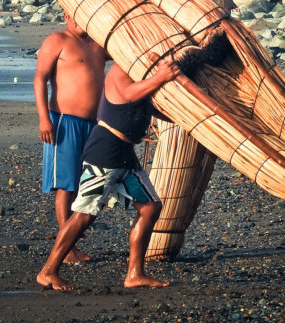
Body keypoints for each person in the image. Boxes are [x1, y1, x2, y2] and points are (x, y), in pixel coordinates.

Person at [37, 56, 180, 291]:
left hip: (125, 155)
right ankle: (48, 271)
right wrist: (160, 77)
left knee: (150, 206)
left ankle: (135, 273)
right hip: (105, 152)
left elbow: (151, 106)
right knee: (84, 214)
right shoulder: (120, 71)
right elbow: (129, 94)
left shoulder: (143, 75)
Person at [34, 15, 107, 266]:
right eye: (74, 16)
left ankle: (70, 241)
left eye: (84, 16)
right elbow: (40, 79)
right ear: (66, 16)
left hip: (95, 123)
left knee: (84, 182)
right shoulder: (58, 40)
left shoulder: (99, 44)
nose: (80, 21)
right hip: (65, 122)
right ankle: (67, 249)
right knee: (66, 185)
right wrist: (44, 119)